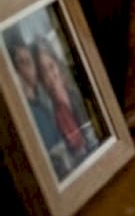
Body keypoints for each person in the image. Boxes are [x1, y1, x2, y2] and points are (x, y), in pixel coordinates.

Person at [34, 38, 100, 176]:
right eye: (43, 72)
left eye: (51, 67)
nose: (50, 76)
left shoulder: (80, 95)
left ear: (58, 65)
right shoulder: (48, 116)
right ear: (40, 80)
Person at [6, 34, 62, 156]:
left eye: (30, 59)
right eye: (24, 62)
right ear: (15, 71)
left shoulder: (44, 102)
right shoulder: (24, 111)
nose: (31, 65)